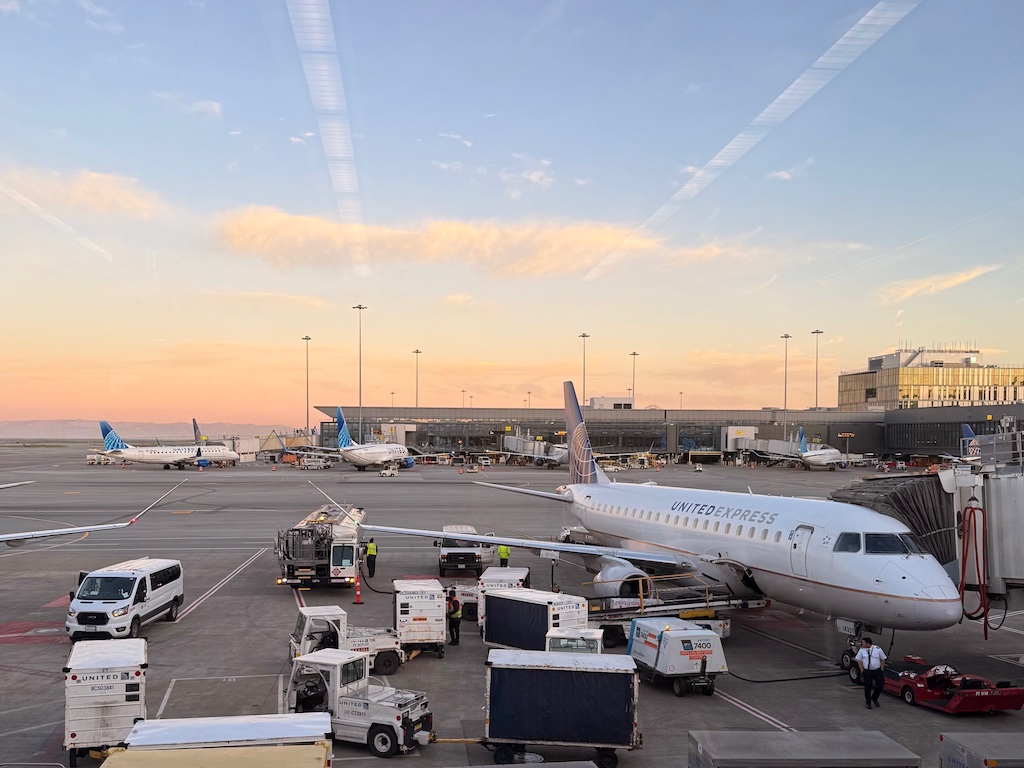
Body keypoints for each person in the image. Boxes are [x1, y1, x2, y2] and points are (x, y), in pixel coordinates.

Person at [855, 636, 887, 708]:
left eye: (863, 642)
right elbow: (859, 660)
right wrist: (862, 670)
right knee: (868, 687)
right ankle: (868, 702)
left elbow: (883, 659)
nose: (861, 643)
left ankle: (874, 697)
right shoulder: (862, 650)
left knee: (880, 685)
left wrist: (881, 669)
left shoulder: (877, 649)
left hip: (877, 671)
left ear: (868, 643)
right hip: (867, 671)